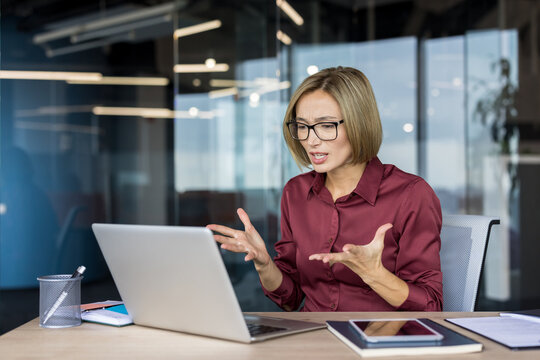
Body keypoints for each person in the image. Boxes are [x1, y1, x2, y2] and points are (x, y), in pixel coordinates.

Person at [207, 66, 442, 312]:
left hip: (378, 342)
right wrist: (265, 264)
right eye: (302, 126)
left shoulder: (411, 195)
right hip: (313, 338)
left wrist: (375, 275)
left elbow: (431, 307)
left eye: (327, 125)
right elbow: (291, 299)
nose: (311, 140)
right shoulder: (296, 193)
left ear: (359, 123)